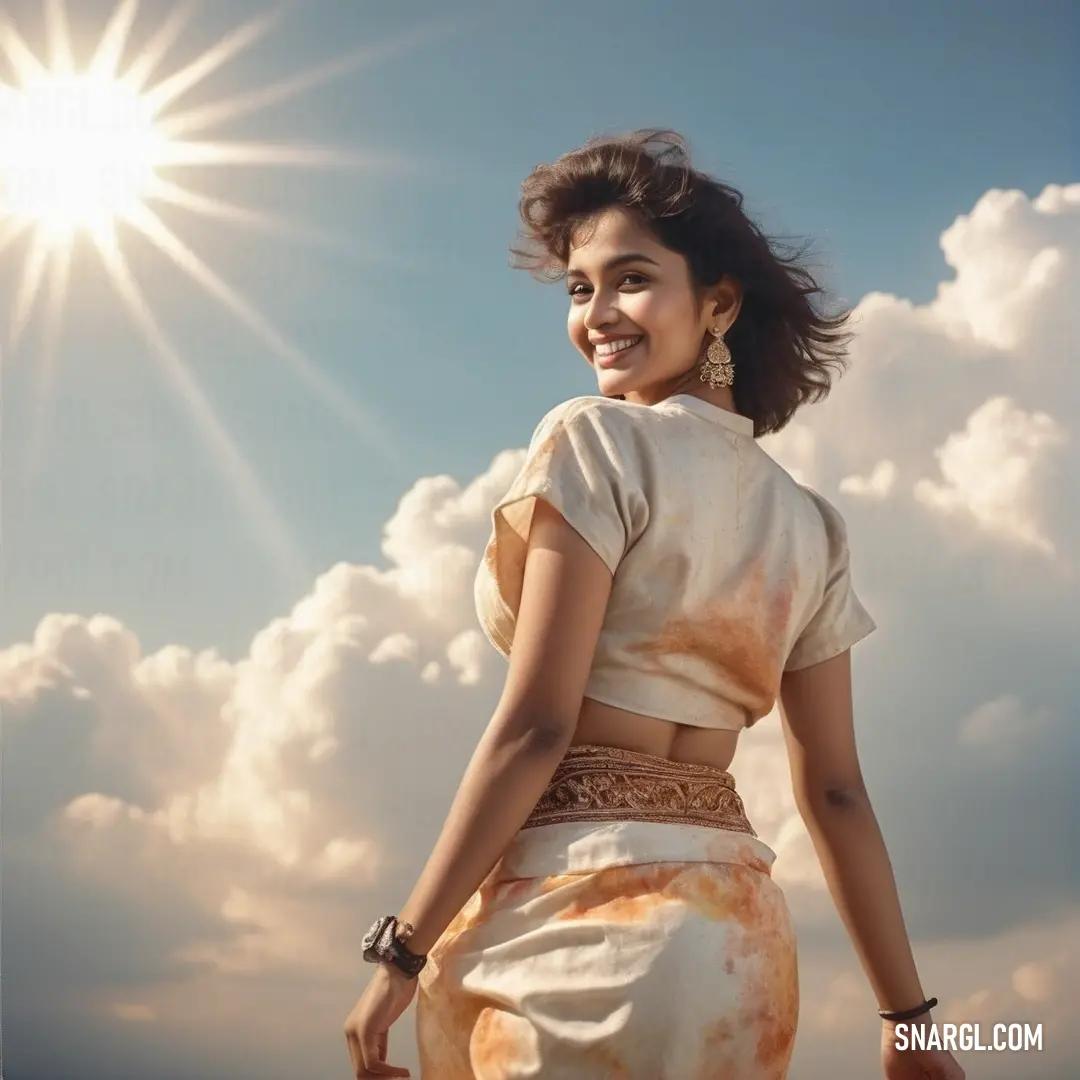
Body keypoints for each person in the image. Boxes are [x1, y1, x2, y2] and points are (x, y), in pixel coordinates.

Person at [343, 129, 965, 1080]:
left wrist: (402, 949)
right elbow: (836, 793)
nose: (597, 313)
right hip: (735, 942)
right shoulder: (813, 525)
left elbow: (535, 729)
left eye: (631, 279)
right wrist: (910, 1025)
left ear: (718, 303)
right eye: (579, 288)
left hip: (575, 924)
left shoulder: (594, 440)